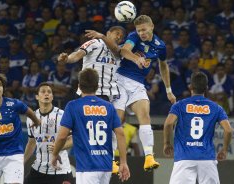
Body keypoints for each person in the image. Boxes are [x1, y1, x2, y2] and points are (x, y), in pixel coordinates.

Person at [88, 15, 176, 171]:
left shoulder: (160, 46)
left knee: (145, 115)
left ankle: (149, 157)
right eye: (139, 30)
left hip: (137, 84)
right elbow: (124, 50)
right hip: (120, 80)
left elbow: (163, 66)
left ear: (152, 26)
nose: (141, 32)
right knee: (118, 119)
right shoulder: (133, 37)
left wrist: (168, 90)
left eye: (144, 29)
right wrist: (136, 59)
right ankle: (110, 160)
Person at [58, 25, 126, 173]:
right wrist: (67, 59)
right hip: (89, 91)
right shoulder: (94, 43)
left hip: (108, 95)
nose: (118, 37)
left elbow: (116, 49)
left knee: (111, 129)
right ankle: (62, 144)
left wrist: (103, 36)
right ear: (108, 32)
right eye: (116, 34)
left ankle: (111, 160)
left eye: (121, 36)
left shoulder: (119, 51)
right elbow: (77, 55)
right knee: (88, 129)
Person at [52, 68, 130, 184]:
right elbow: (120, 134)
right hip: (106, 166)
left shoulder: (73, 106)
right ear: (97, 86)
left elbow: (62, 136)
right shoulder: (108, 107)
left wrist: (55, 154)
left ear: (79, 86)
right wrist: (123, 162)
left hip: (87, 166)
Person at [163, 72, 233, 184]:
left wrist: (167, 143)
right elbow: (228, 130)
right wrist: (224, 150)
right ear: (206, 88)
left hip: (184, 157)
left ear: (190, 86)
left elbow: (168, 124)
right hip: (207, 158)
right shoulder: (216, 108)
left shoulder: (179, 105)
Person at [24, 82, 74, 184]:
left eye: (49, 92)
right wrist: (22, 161)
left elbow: (75, 137)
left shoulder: (62, 115)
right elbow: (32, 142)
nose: (46, 94)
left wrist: (59, 146)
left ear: (52, 97)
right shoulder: (31, 117)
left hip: (61, 170)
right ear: (37, 97)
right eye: (43, 92)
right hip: (38, 170)